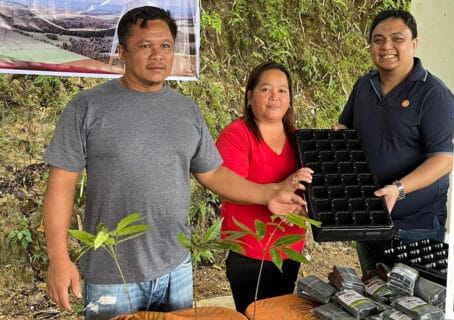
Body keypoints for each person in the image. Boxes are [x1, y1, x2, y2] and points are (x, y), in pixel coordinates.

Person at [42, 6, 306, 320]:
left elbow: (214, 173)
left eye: (165, 46)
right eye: (145, 46)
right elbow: (61, 186)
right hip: (111, 271)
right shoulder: (87, 107)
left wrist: (270, 192)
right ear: (122, 52)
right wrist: (58, 258)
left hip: (176, 268)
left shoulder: (186, 110)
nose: (157, 55)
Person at [333, 9, 454, 277]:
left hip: (417, 226)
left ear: (414, 44)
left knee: (417, 306)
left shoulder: (435, 95)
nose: (387, 46)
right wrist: (338, 138)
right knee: (373, 295)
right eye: (378, 40)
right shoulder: (364, 85)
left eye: (397, 39)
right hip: (368, 218)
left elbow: (445, 158)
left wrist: (398, 189)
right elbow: (346, 127)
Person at [215, 61, 313, 313]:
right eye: (265, 89)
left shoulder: (299, 138)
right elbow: (226, 186)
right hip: (249, 248)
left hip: (289, 246)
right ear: (249, 97)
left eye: (282, 90)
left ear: (290, 99)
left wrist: (305, 209)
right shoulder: (237, 134)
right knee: (253, 314)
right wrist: (278, 187)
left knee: (279, 313)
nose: (274, 97)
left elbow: (308, 189)